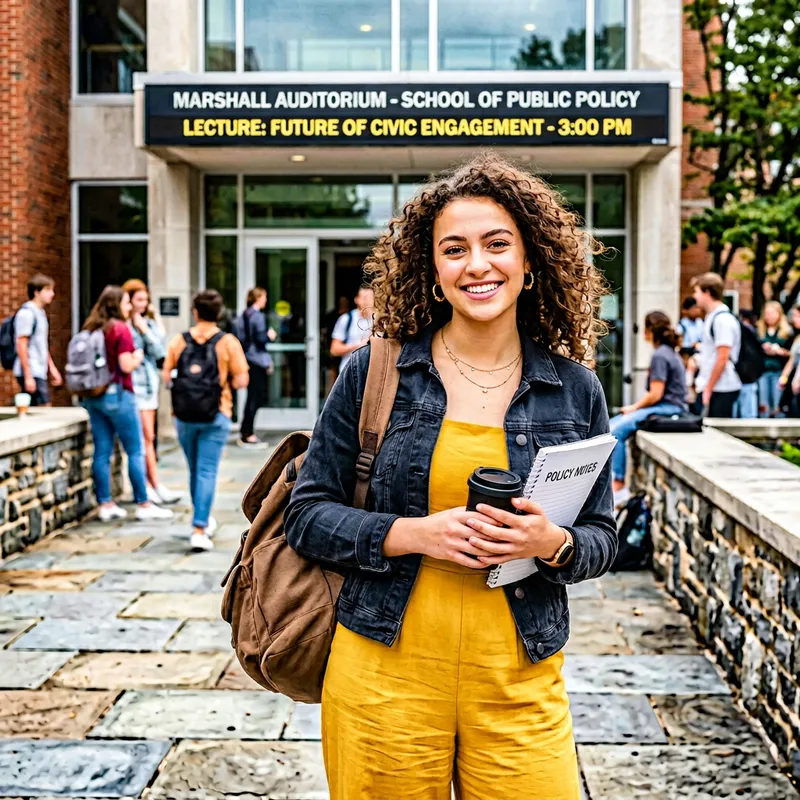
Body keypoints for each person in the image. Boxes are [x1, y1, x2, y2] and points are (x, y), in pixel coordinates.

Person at [284, 154, 616, 799]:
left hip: (518, 679)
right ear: (434, 272)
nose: (477, 265)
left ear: (529, 263)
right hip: (384, 677)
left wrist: (552, 544)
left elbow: (602, 535)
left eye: (497, 245)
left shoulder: (575, 389)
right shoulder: (374, 373)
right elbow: (306, 513)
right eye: (454, 249)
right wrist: (413, 534)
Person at [163, 290, 249, 551]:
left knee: (195, 469)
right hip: (217, 412)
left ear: (195, 311)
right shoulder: (227, 342)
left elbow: (167, 378)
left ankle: (201, 519)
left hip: (185, 415)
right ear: (219, 313)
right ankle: (200, 527)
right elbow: (242, 379)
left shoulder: (179, 341)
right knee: (207, 470)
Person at [80, 286, 174, 524]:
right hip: (119, 396)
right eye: (125, 303)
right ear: (115, 305)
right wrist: (137, 357)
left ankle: (105, 504)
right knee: (135, 449)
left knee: (102, 451)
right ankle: (143, 503)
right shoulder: (120, 329)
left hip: (95, 396)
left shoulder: (93, 327)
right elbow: (125, 365)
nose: (128, 307)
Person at [609, 311, 687, 507]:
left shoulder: (660, 355)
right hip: (669, 405)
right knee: (610, 425)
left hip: (668, 408)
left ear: (650, 330)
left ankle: (618, 485)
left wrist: (633, 408)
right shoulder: (668, 352)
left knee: (614, 432)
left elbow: (656, 394)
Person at [120, 279, 179, 505]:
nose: (143, 304)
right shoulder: (122, 326)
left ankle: (154, 483)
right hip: (134, 387)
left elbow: (159, 350)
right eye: (139, 300)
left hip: (149, 387)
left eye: (146, 300)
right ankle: (147, 485)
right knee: (143, 438)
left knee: (149, 438)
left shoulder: (147, 323)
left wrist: (145, 326)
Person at [692, 272, 741, 418]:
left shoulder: (722, 320)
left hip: (721, 388)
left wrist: (708, 388)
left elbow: (723, 357)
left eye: (697, 291)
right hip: (715, 387)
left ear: (707, 292)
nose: (695, 296)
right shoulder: (712, 317)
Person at [237, 287, 277, 449]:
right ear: (258, 298)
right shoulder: (258, 317)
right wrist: (270, 336)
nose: (265, 300)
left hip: (247, 359)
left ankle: (245, 431)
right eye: (264, 297)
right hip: (257, 361)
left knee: (251, 397)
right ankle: (248, 433)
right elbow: (261, 340)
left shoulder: (243, 316)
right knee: (256, 397)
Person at [13, 274, 62, 406]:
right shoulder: (27, 313)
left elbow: (41, 345)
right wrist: (28, 375)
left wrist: (51, 368)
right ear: (36, 292)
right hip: (31, 370)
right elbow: (21, 343)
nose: (52, 294)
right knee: (44, 408)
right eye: (47, 290)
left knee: (36, 410)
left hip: (39, 370)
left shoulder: (40, 314)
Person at [756, 300, 792, 418]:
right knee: (763, 403)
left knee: (777, 402)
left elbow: (793, 354)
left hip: (779, 371)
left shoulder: (786, 332)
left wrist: (779, 351)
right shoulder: (760, 331)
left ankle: (779, 430)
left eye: (771, 313)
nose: (769, 317)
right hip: (763, 370)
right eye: (767, 314)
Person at [329, 286, 374, 374]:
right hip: (349, 371)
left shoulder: (379, 320)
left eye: (370, 298)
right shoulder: (346, 319)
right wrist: (359, 346)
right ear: (356, 299)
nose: (366, 301)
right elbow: (334, 349)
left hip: (371, 372)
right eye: (364, 297)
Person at [322, 295, 351, 394]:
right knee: (333, 374)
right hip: (335, 347)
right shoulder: (332, 316)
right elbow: (326, 333)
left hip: (347, 350)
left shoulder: (351, 317)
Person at [734, 310, 759, 419]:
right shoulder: (748, 331)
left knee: (747, 414)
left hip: (746, 375)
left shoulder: (747, 331)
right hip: (743, 375)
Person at [778, 304, 800, 417]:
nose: (793, 319)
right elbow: (792, 360)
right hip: (793, 381)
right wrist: (784, 377)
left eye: (797, 316)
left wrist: (797, 380)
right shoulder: (797, 338)